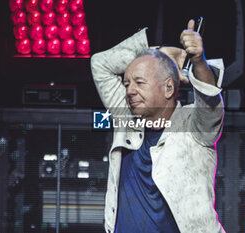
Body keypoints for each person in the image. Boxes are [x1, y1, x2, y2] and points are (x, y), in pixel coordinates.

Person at [91, 19, 226, 233]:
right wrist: (161, 53)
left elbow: (210, 103)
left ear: (169, 88)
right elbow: (100, 64)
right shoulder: (126, 118)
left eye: (139, 82)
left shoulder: (194, 126)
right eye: (127, 84)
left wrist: (198, 62)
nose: (129, 91)